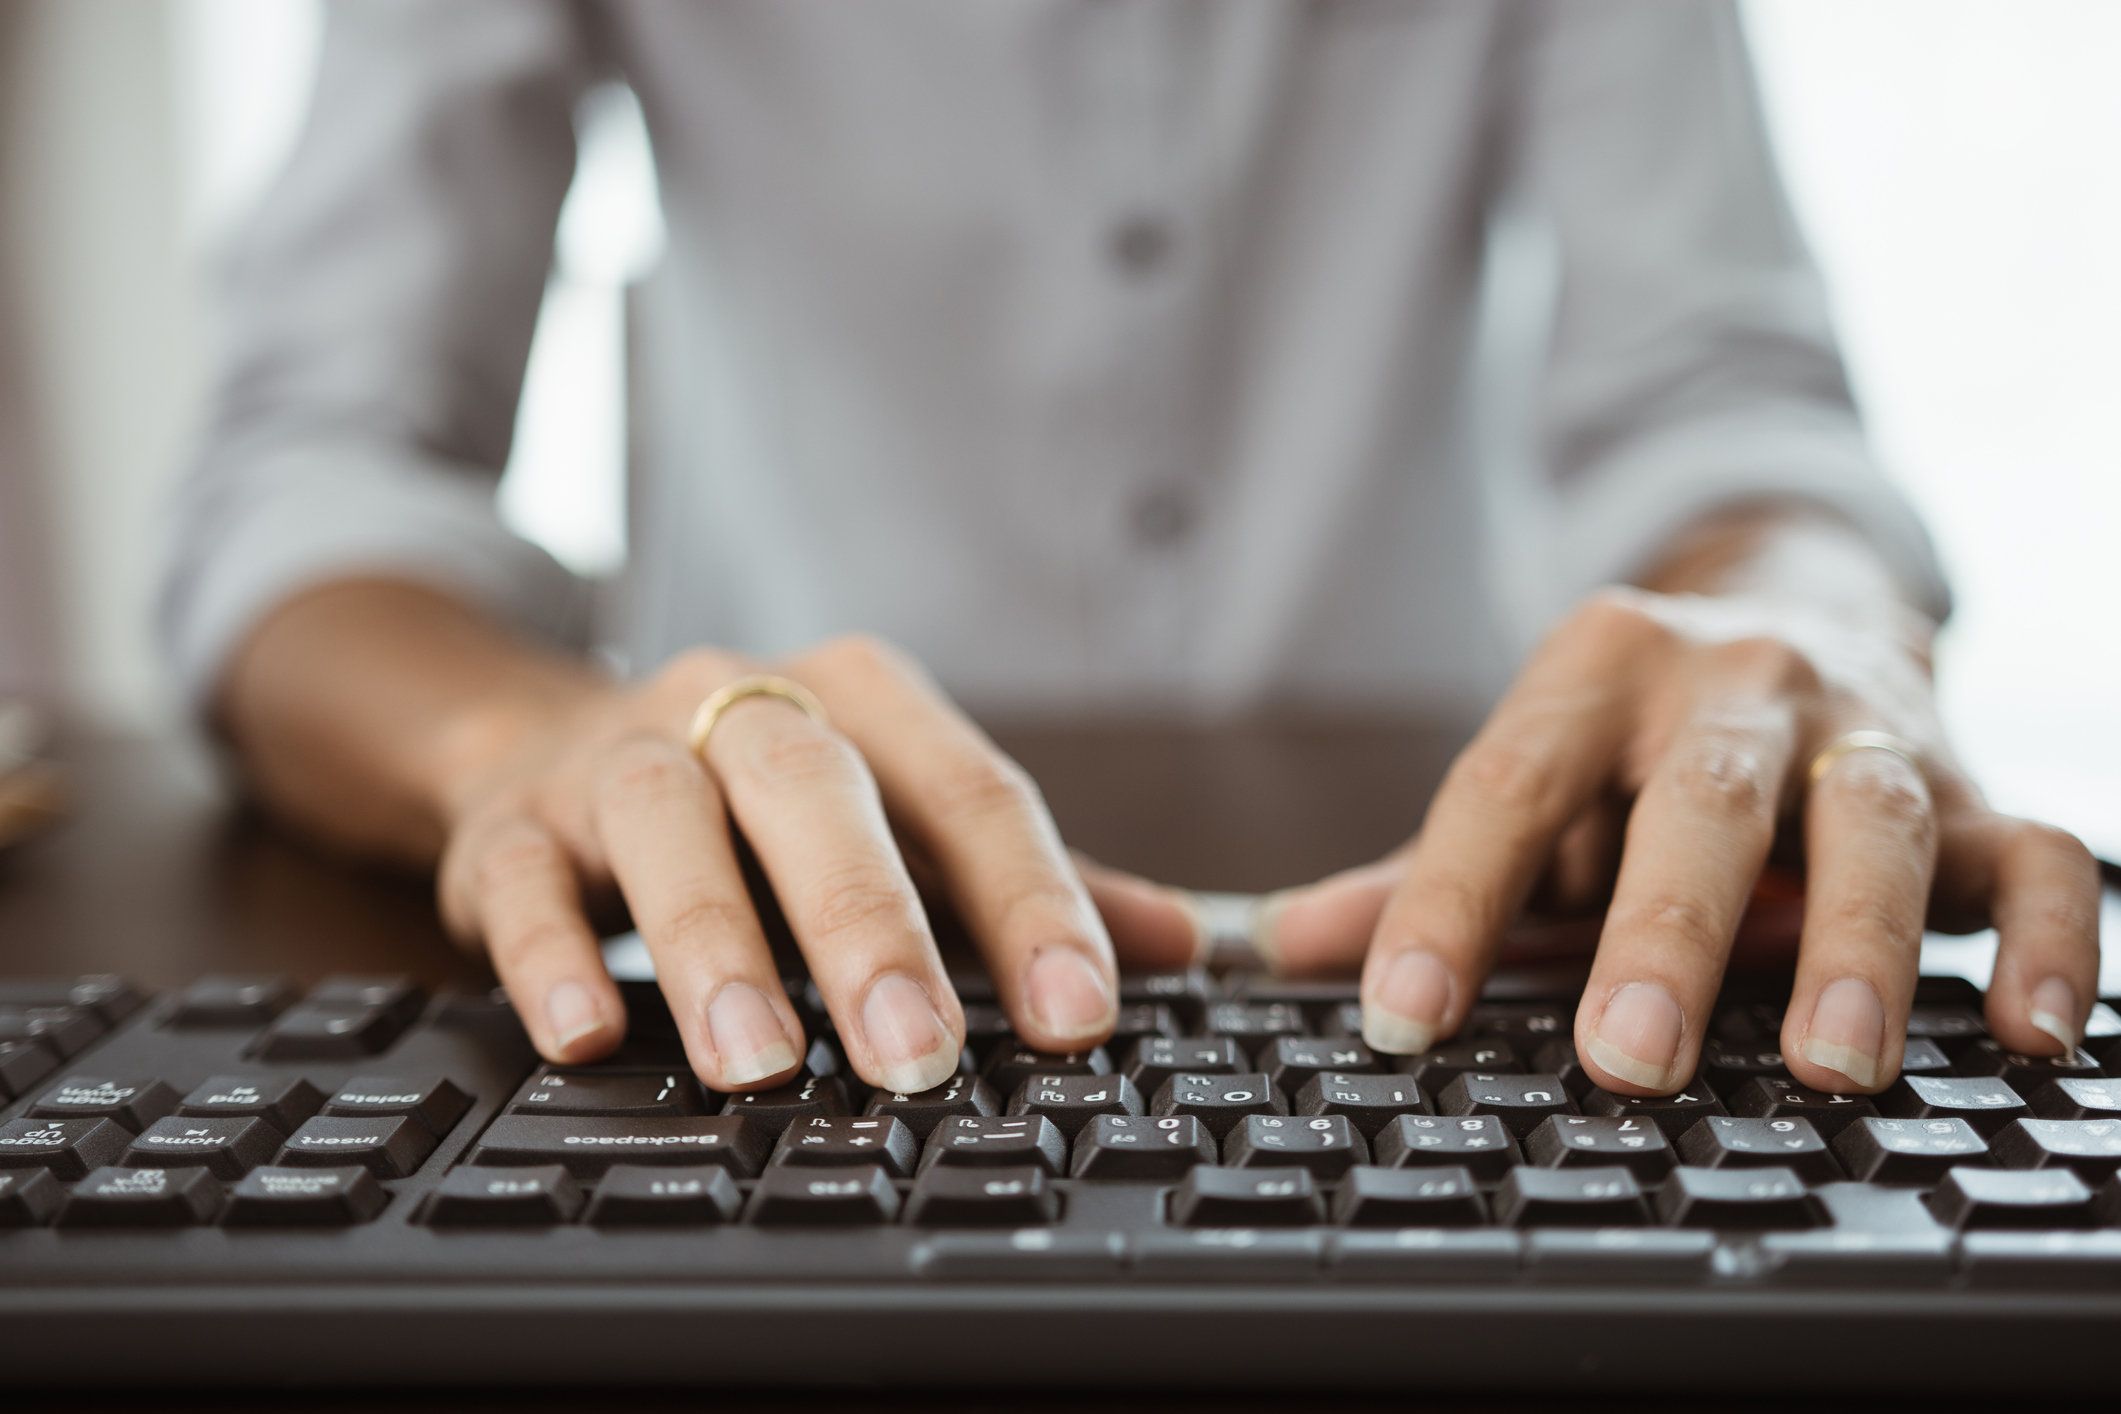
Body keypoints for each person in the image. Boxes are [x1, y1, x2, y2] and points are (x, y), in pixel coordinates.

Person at [161, 1, 2098, 1102]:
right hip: (745, 920)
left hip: (1477, 900)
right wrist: (510, 740)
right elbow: (316, 460)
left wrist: (1794, 620)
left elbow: (1716, 386)